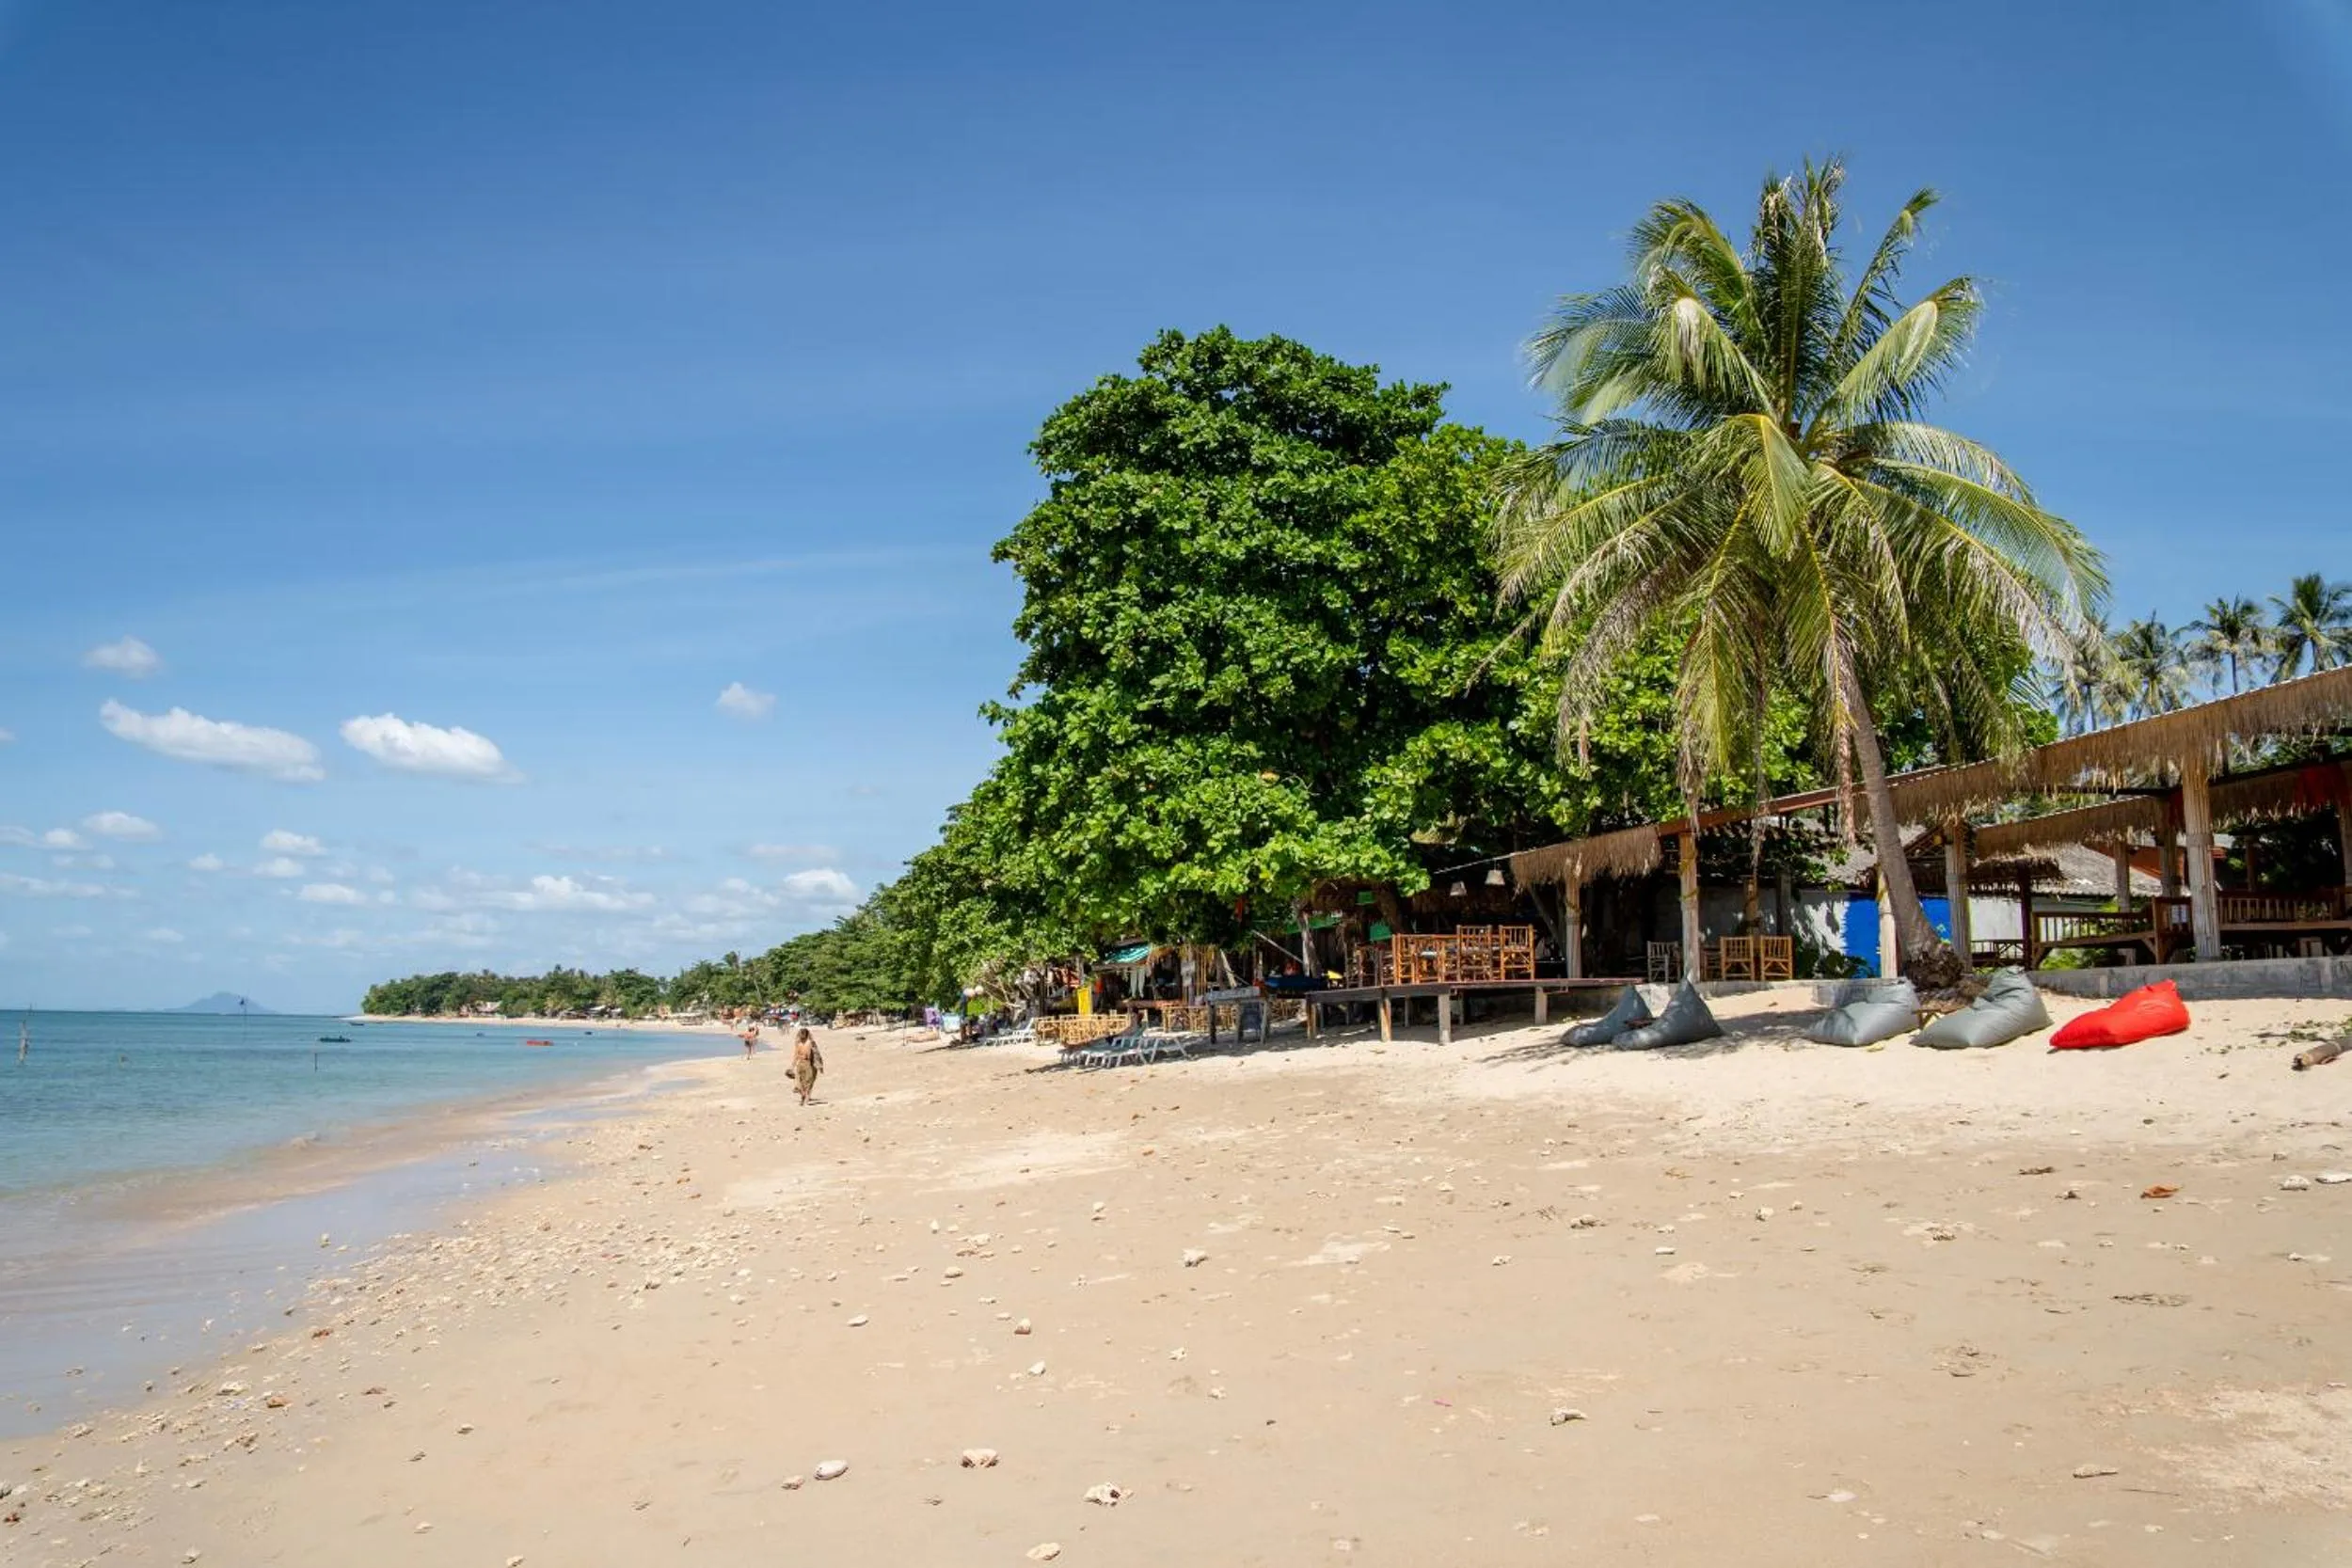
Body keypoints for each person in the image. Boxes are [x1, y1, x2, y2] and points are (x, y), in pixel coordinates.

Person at [790, 1026, 824, 1106]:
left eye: (803, 1034)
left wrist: (820, 1066)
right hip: (800, 1064)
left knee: (808, 1083)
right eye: (801, 1034)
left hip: (809, 1065)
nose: (802, 1035)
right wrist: (792, 1066)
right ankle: (803, 1096)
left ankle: (806, 1099)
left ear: (806, 1034)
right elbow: (796, 1055)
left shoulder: (811, 1043)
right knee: (799, 1083)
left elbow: (817, 1054)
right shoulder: (798, 1043)